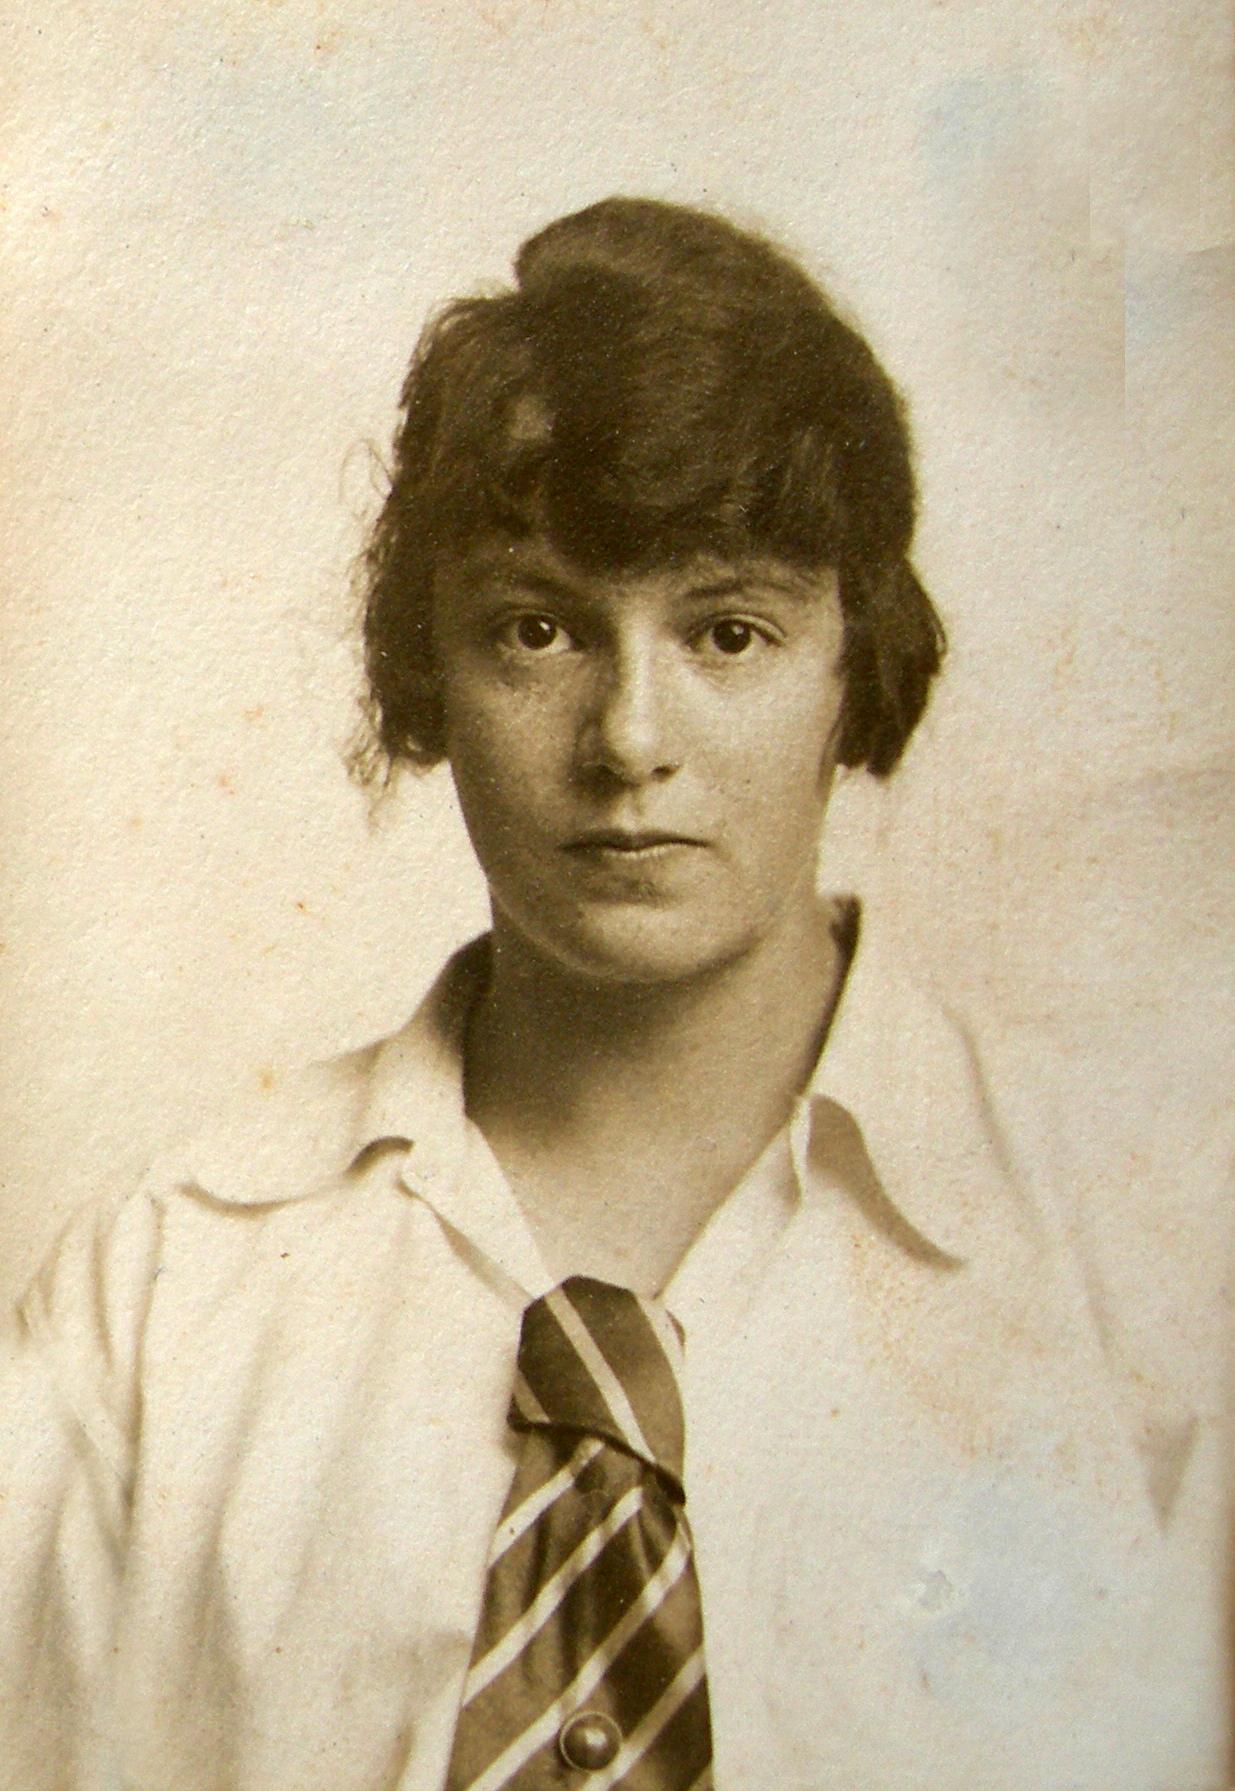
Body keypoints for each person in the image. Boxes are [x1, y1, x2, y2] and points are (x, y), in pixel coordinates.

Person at [0, 197, 1228, 1791]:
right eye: (538, 631)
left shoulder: (1150, 1272)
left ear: (855, 666)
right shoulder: (165, 1295)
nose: (630, 737)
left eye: (729, 632)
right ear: (428, 671)